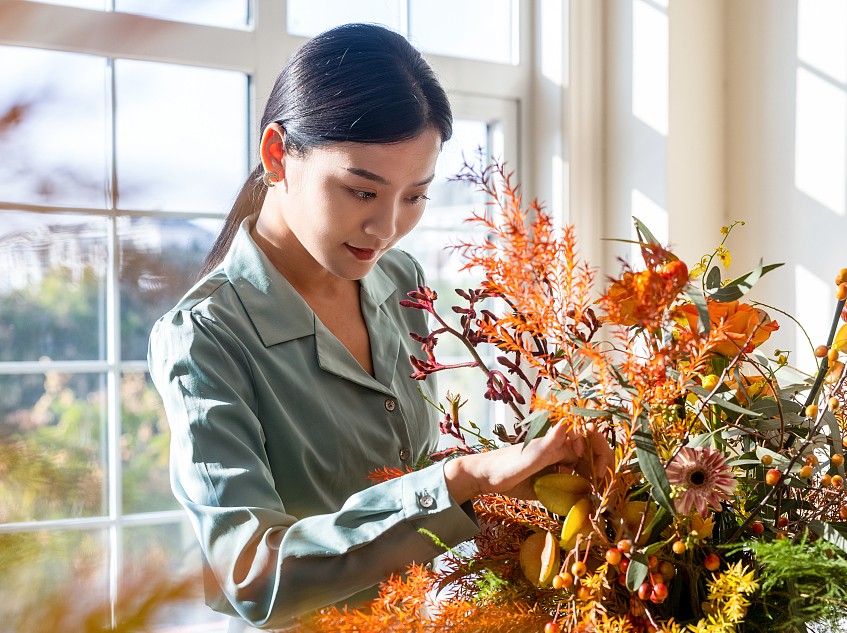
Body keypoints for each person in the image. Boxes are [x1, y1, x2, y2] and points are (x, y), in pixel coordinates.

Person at [148, 23, 611, 632]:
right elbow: (253, 578)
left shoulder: (399, 279)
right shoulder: (205, 335)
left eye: (414, 197)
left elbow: (409, 470)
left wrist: (516, 476)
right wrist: (458, 481)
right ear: (276, 155)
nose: (385, 228)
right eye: (361, 191)